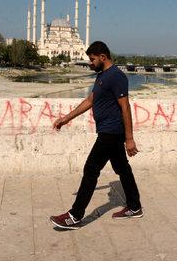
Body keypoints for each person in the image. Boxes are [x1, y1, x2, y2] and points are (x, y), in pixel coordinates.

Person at [49, 41, 142, 229]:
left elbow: (125, 106)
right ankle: (134, 206)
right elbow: (90, 100)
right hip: (108, 131)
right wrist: (65, 119)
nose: (90, 63)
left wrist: (129, 138)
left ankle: (75, 216)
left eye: (92, 59)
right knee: (122, 169)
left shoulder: (116, 76)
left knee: (91, 169)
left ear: (103, 57)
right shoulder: (102, 76)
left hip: (111, 131)